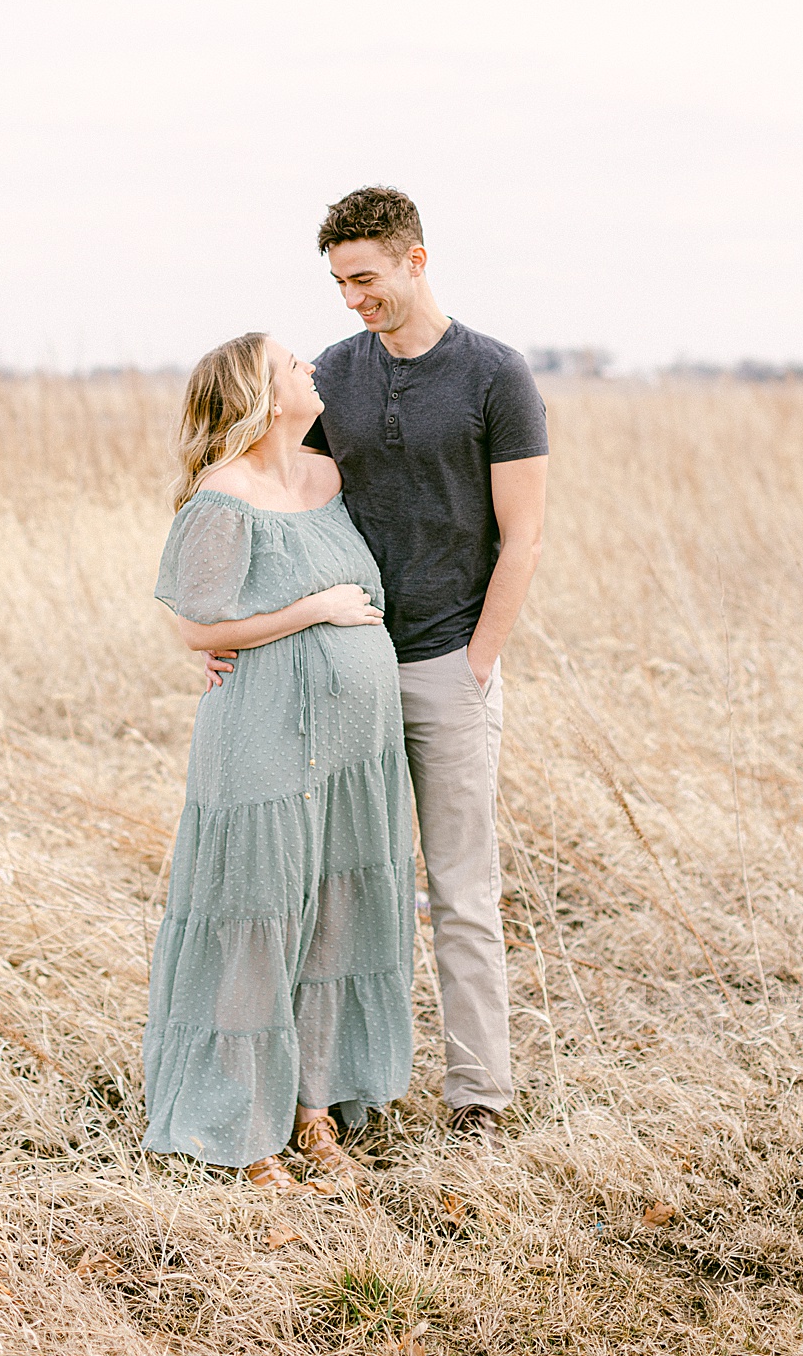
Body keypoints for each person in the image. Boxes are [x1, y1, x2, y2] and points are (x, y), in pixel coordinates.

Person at [206, 188, 548, 1149]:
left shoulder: (496, 376)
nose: (352, 298)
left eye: (366, 277)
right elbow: (274, 499)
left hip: (446, 663)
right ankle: (334, 1094)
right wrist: (236, 634)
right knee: (341, 885)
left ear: (416, 260)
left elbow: (523, 538)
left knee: (463, 890)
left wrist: (478, 664)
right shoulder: (333, 379)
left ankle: (480, 1097)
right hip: (332, 674)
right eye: (339, 282)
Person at [143, 331, 414, 1193]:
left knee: (336, 913)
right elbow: (198, 625)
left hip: (354, 750)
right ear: (260, 394)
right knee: (256, 916)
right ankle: (242, 1123)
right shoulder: (224, 497)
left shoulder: (329, 479)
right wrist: (314, 611)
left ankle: (313, 1108)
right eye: (293, 364)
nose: (311, 370)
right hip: (263, 737)